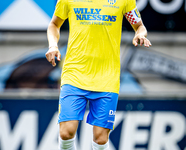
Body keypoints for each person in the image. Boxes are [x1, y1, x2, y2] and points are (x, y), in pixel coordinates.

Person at [45, 0, 151, 149]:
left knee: (100, 138)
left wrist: (139, 34)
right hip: (75, 74)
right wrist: (53, 46)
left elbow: (139, 26)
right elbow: (54, 25)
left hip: (107, 78)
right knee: (66, 132)